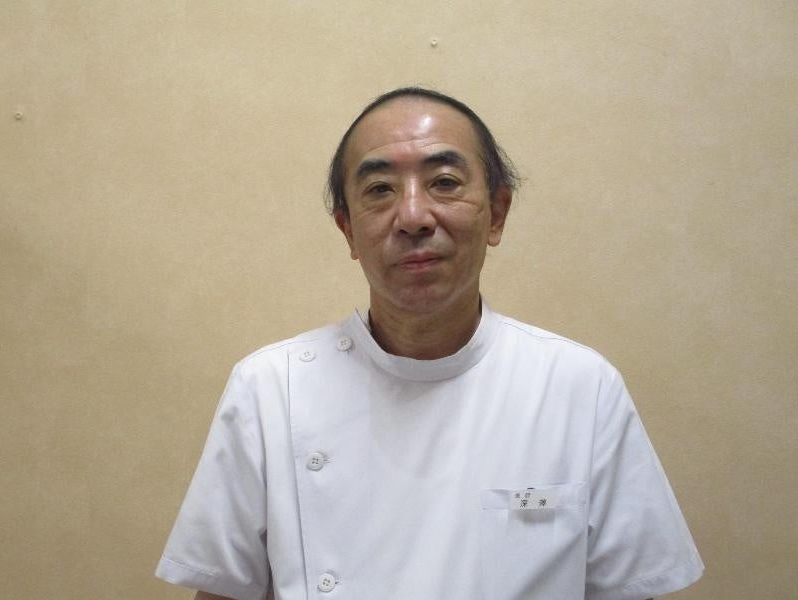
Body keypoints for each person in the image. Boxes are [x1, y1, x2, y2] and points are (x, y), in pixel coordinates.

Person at [155, 87, 703, 600]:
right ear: (348, 230)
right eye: (379, 190)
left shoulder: (581, 387)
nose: (413, 217)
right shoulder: (271, 388)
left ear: (498, 213)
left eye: (444, 182)